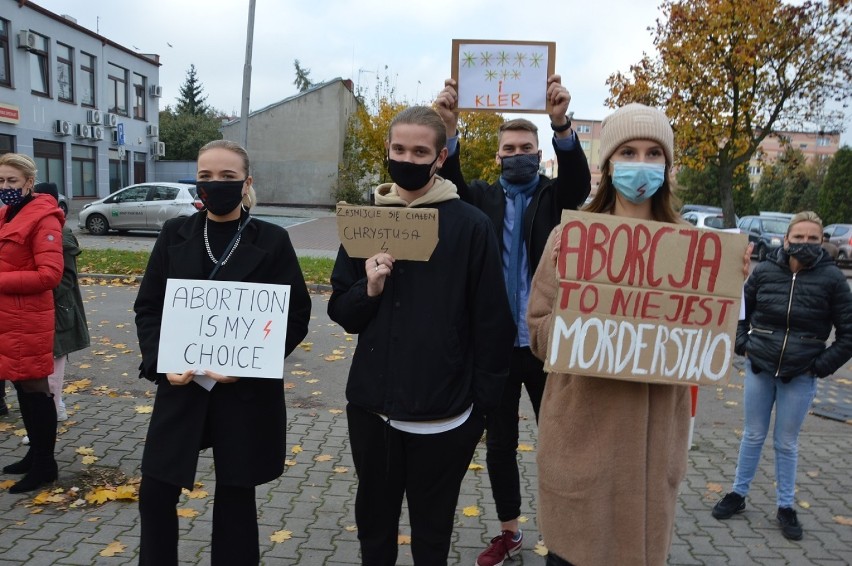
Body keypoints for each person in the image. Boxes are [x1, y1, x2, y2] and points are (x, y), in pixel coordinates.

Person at [328, 106, 515, 565]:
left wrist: (478, 414)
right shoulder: (365, 220)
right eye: (398, 149)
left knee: (432, 537)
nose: (406, 159)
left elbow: (493, 325)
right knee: (375, 531)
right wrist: (367, 290)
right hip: (373, 414)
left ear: (440, 156)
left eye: (419, 151)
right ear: (387, 151)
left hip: (444, 418)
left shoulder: (470, 226)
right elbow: (341, 309)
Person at [526, 104, 693, 566]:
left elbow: (709, 344)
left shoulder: (693, 251)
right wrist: (583, 320)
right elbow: (538, 333)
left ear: (668, 165)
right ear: (608, 165)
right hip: (583, 449)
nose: (641, 164)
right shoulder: (569, 240)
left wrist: (728, 283)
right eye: (629, 152)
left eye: (654, 153)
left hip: (651, 457)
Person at [435, 75, 591, 565]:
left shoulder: (554, 196)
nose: (517, 153)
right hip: (496, 347)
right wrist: (450, 127)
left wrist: (562, 123)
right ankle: (510, 532)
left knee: (561, 441)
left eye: (526, 146)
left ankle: (568, 535)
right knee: (500, 444)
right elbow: (451, 186)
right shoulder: (481, 197)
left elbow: (580, 184)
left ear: (538, 150)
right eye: (509, 148)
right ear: (498, 154)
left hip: (549, 343)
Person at [133, 139, 312, 565]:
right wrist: (164, 363)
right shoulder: (175, 233)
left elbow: (295, 314)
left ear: (246, 182)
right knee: (156, 490)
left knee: (235, 497)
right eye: (206, 176)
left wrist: (249, 365)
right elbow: (148, 307)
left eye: (228, 177)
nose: (216, 185)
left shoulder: (272, 240)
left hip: (241, 393)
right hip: (183, 385)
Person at [712, 211, 852, 541]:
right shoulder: (765, 273)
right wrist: (743, 345)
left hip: (800, 375)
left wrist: (818, 366)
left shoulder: (833, 280)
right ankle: (737, 494)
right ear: (785, 239)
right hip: (760, 368)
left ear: (822, 242)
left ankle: (785, 506)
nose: (804, 243)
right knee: (753, 435)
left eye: (812, 239)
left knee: (786, 443)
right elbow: (739, 311)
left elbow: (848, 335)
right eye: (798, 237)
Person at [0, 153, 64, 494]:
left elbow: (49, 275)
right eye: (1, 181)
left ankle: (45, 465)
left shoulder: (44, 218)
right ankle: (35, 454)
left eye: (12, 181)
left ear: (29, 182)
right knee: (22, 388)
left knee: (36, 390)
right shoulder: (6, 214)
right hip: (9, 320)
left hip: (28, 320)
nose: (5, 187)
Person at [33, 182, 90, 422]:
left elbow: (67, 276)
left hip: (58, 310)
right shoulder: (41, 225)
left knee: (53, 369)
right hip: (45, 309)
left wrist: (41, 292)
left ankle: (53, 412)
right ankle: (56, 407)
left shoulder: (61, 231)